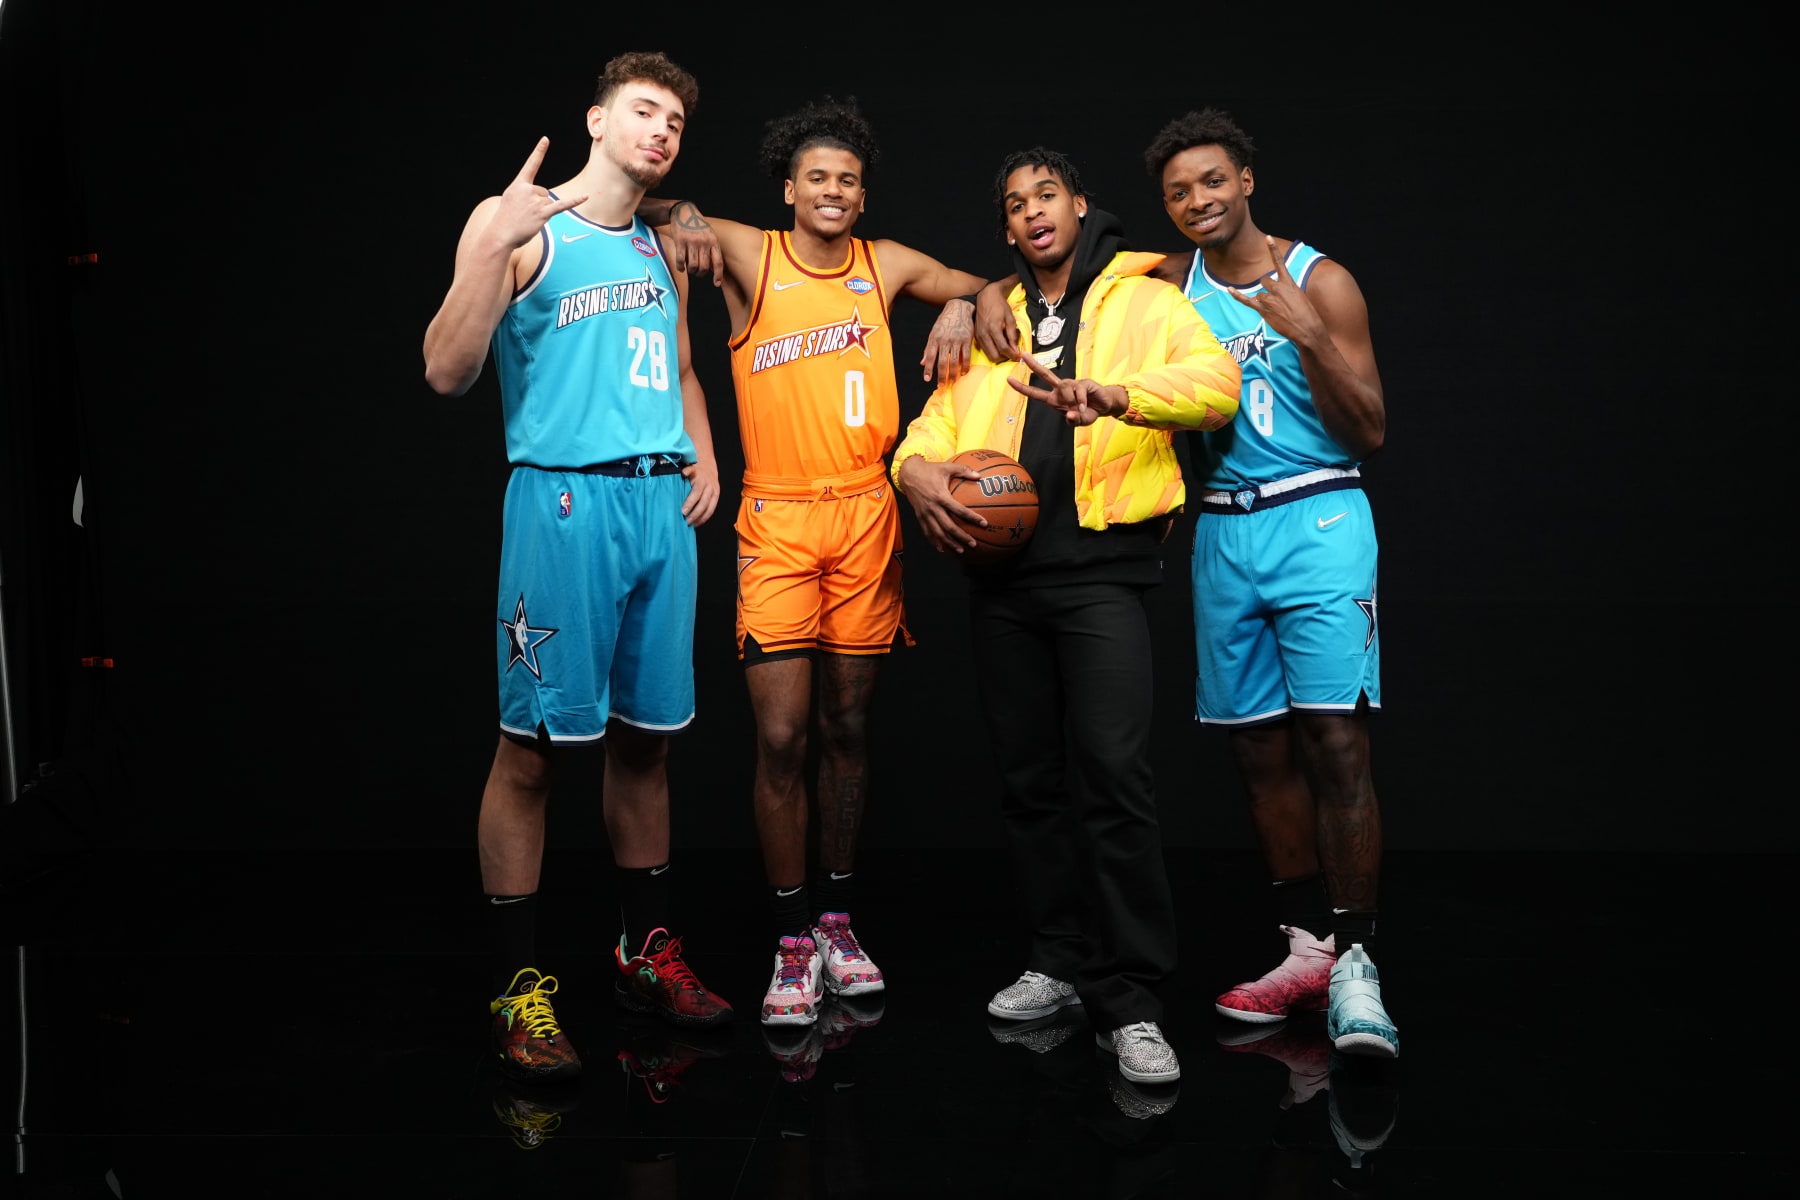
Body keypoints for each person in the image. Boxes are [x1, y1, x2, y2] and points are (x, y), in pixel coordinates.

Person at [638, 96, 988, 1031]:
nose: (833, 190)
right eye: (817, 177)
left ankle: (836, 922)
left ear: (862, 197)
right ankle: (791, 940)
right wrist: (682, 213)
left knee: (847, 728)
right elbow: (653, 207)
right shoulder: (752, 253)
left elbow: (994, 287)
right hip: (780, 519)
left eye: (848, 180)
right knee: (783, 738)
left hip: (867, 513)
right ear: (790, 190)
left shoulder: (887, 264)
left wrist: (960, 302)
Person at [893, 148, 1240, 1087]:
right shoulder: (993, 316)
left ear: (1080, 205)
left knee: (1115, 780)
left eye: (1047, 194)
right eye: (1016, 204)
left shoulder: (1146, 301)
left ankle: (1132, 1001)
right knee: (1030, 784)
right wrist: (914, 470)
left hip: (1102, 576)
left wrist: (1117, 396)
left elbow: (1217, 386)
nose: (1033, 211)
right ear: (1006, 229)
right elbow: (935, 425)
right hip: (1003, 584)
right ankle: (1057, 960)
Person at [421, 50, 733, 1083]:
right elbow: (445, 370)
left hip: (656, 512)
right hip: (562, 507)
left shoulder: (659, 241)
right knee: (531, 754)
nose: (661, 130)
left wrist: (702, 451)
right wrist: (488, 249)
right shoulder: (517, 222)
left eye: (675, 121)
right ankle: (518, 985)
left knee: (647, 746)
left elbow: (680, 367)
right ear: (598, 120)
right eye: (644, 110)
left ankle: (644, 955)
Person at [1144, 108, 1396, 1058]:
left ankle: (1360, 965)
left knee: (1335, 741)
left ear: (1246, 179)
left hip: (1319, 514)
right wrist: (970, 302)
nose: (1198, 200)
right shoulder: (1169, 285)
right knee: (1257, 751)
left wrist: (1308, 335)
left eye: (1213, 180)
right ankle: (1307, 951)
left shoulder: (1322, 280)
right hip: (1224, 529)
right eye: (1179, 191)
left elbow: (1370, 428)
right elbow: (1066, 274)